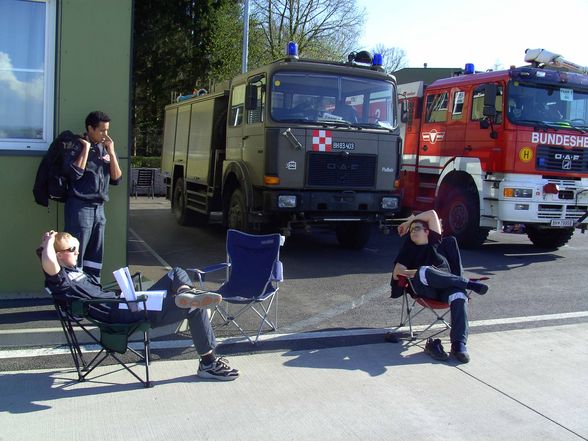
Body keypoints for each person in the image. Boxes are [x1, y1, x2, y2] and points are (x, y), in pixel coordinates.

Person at [39, 230, 240, 381]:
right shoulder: (61, 280)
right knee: (195, 308)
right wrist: (48, 242)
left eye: (77, 248)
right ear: (57, 256)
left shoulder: (75, 271)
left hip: (127, 303)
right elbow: (48, 262)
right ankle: (208, 364)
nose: (77, 252)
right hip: (121, 313)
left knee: (175, 272)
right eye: (72, 249)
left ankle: (184, 292)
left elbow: (53, 259)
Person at [391, 210, 489, 363]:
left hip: (447, 288)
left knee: (459, 296)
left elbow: (432, 214)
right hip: (426, 290)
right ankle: (468, 283)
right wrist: (417, 272)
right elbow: (397, 272)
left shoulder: (435, 243)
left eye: (417, 228)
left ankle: (459, 345)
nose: (412, 232)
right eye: (411, 230)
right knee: (426, 270)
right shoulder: (409, 249)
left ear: (427, 232)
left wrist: (408, 222)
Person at [63, 111, 122, 281]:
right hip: (80, 207)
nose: (106, 135)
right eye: (102, 130)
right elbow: (74, 175)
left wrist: (111, 153)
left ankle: (92, 290)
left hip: (99, 208)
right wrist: (86, 149)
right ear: (90, 128)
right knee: (75, 253)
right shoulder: (77, 145)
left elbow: (117, 179)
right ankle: (75, 297)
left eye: (107, 130)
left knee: (95, 256)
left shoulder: (105, 147)